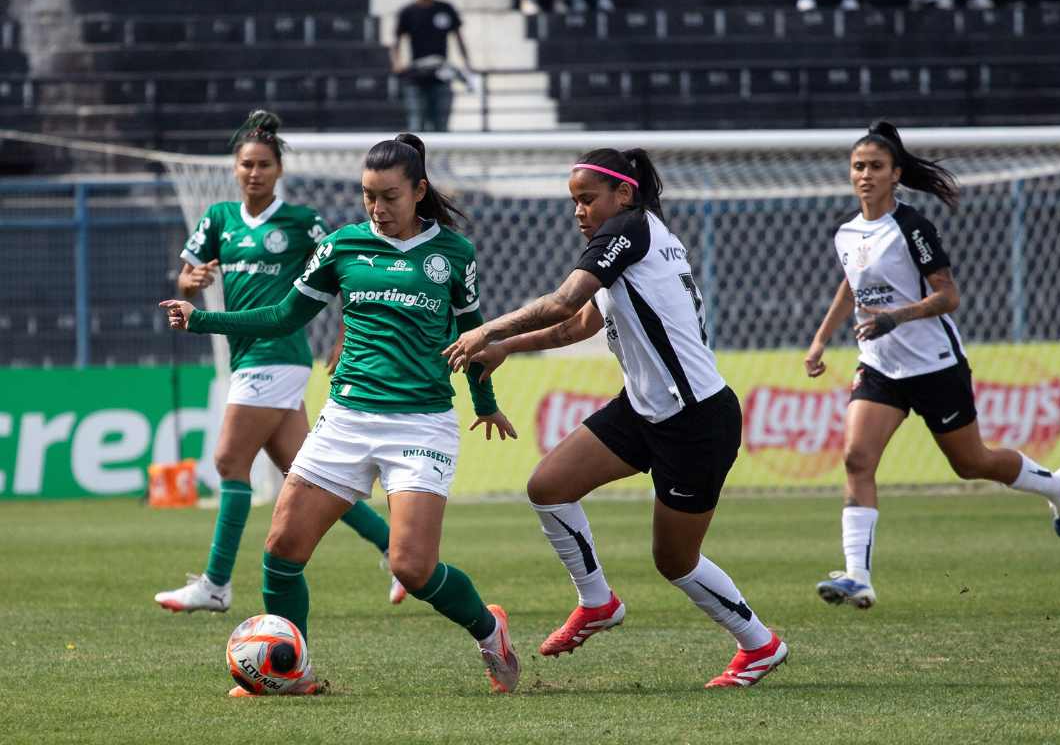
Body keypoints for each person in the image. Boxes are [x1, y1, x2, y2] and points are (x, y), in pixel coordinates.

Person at [160, 133, 521, 696]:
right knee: (282, 549)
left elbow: (474, 340)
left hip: (421, 423)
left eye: (390, 197)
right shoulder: (343, 247)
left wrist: (486, 404)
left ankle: (488, 628)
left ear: (420, 191)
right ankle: (293, 672)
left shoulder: (453, 254)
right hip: (347, 418)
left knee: (411, 567)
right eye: (367, 196)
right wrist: (201, 319)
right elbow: (282, 315)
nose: (377, 209)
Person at [443, 149, 788, 689]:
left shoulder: (628, 230)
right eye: (573, 201)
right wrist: (510, 344)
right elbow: (573, 327)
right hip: (645, 409)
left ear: (622, 195)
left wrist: (485, 331)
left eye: (587, 199)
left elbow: (561, 303)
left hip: (695, 420)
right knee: (549, 486)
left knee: (675, 561)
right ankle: (597, 601)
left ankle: (760, 644)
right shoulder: (632, 237)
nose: (578, 211)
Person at [804, 121, 1060, 610]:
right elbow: (851, 283)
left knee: (970, 462)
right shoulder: (846, 232)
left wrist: (896, 317)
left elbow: (948, 296)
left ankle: (1057, 486)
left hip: (934, 364)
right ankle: (857, 576)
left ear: (895, 174)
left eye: (876, 167)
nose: (865, 175)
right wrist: (821, 340)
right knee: (856, 459)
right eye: (858, 166)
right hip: (880, 366)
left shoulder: (912, 228)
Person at [154, 110, 402, 615]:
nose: (254, 173)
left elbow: (345, 279)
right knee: (305, 473)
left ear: (279, 170)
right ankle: (398, 551)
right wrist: (190, 284)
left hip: (280, 352)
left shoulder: (302, 222)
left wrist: (344, 335)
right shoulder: (217, 219)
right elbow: (185, 277)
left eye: (264, 164)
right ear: (234, 167)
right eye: (246, 164)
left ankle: (217, 584)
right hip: (246, 352)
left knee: (227, 461)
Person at [393, 0, 471, 132]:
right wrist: (397, 64)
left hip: (441, 75)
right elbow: (396, 41)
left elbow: (459, 39)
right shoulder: (408, 11)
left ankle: (441, 159)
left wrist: (467, 65)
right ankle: (416, 159)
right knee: (416, 124)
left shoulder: (445, 8)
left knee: (441, 124)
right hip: (416, 76)